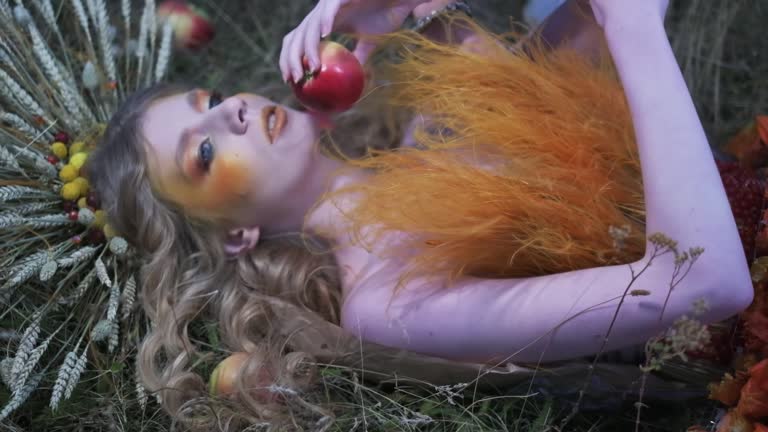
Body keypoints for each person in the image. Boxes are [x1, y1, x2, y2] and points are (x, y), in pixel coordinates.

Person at [87, 0, 753, 427]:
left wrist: (396, 10)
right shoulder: (386, 299)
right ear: (236, 236)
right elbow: (705, 284)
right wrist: (635, 30)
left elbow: (586, 19)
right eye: (203, 151)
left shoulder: (435, 117)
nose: (229, 110)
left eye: (212, 99)